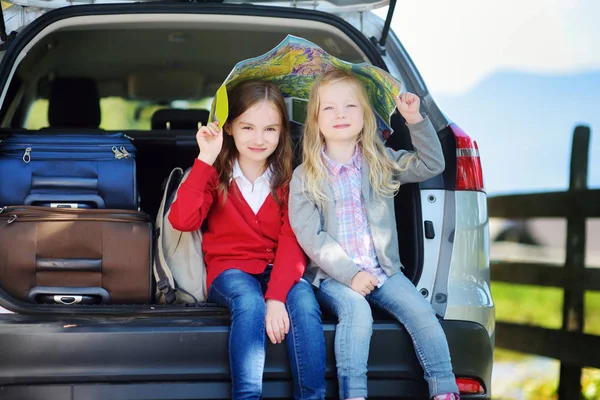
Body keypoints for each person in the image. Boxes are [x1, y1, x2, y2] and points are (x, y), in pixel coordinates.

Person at [289, 69, 459, 400]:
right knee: (357, 312)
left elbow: (431, 165)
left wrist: (415, 120)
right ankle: (354, 393)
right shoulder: (305, 176)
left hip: (384, 271)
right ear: (315, 120)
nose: (340, 114)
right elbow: (311, 237)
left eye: (350, 106)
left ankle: (444, 389)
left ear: (365, 116)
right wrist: (351, 275)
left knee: (422, 313)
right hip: (335, 277)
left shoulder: (379, 161)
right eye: (329, 108)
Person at [169, 80, 326, 400]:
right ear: (228, 128)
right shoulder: (213, 175)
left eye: (270, 129)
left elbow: (292, 242)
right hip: (229, 271)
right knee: (249, 302)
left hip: (278, 268)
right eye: (247, 127)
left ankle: (312, 396)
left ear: (282, 131)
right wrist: (204, 159)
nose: (258, 138)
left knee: (305, 302)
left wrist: (277, 297)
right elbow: (182, 220)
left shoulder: (289, 180)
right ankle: (247, 395)